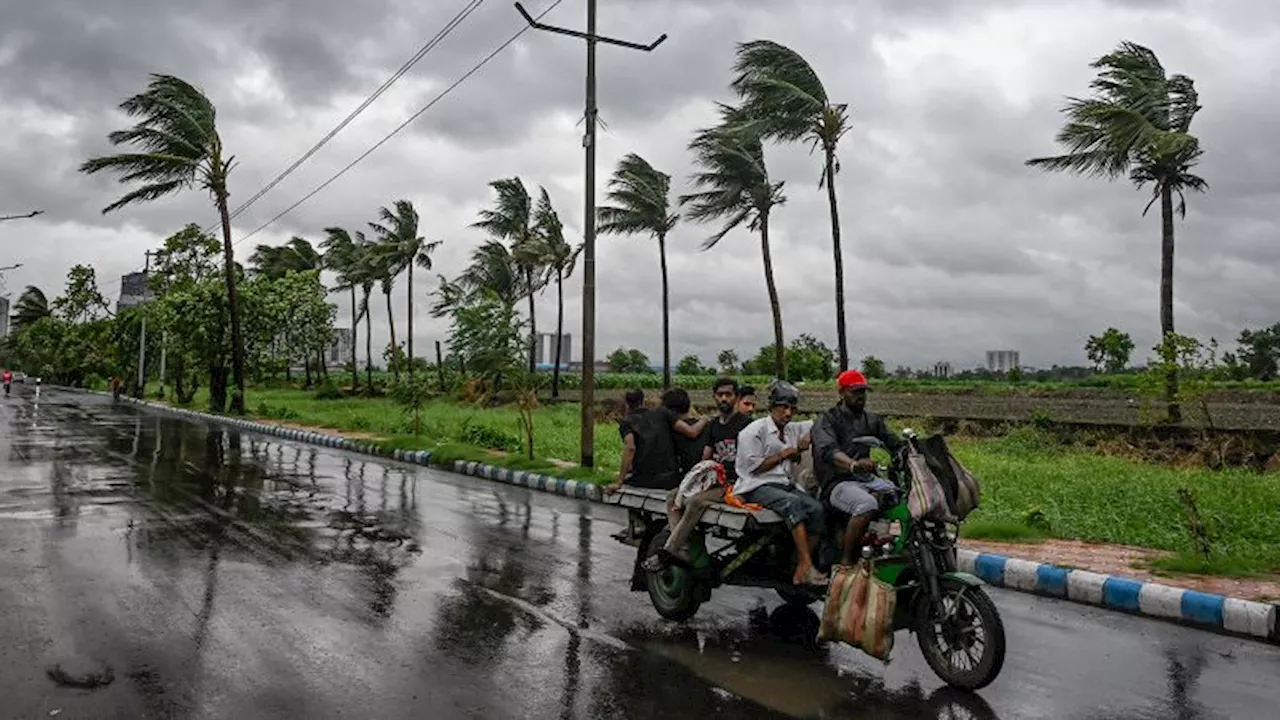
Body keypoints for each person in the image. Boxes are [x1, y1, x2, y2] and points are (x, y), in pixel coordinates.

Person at [647, 377, 754, 569]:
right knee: (674, 497)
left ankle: (669, 551)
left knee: (696, 502)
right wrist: (693, 481)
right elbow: (706, 456)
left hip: (736, 483)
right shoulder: (713, 425)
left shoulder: (747, 425)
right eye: (720, 395)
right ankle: (683, 548)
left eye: (728, 395)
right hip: (715, 480)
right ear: (714, 397)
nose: (723, 399)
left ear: (736, 398)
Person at [733, 381, 827, 586]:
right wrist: (784, 454)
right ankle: (806, 565)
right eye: (783, 407)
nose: (788, 413)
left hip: (782, 484)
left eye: (792, 409)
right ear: (771, 407)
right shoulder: (753, 431)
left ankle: (800, 564)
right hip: (756, 486)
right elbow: (753, 468)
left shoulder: (792, 429)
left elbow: (820, 423)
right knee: (792, 503)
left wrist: (808, 439)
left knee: (817, 509)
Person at [811, 369, 904, 565]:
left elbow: (893, 443)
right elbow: (828, 450)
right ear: (842, 393)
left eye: (863, 391)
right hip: (836, 483)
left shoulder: (872, 420)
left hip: (866, 481)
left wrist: (915, 452)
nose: (861, 396)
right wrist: (853, 465)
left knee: (902, 498)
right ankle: (846, 564)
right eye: (855, 391)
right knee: (866, 504)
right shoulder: (828, 419)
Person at [608, 387, 710, 493]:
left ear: (626, 403)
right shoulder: (661, 413)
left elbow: (630, 448)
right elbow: (692, 432)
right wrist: (704, 419)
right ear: (643, 400)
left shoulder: (627, 422)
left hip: (645, 479)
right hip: (671, 478)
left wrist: (619, 481)